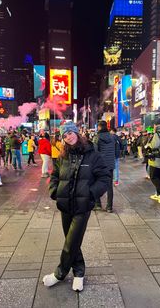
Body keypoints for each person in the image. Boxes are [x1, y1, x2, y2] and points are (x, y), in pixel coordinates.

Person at [43, 122, 109, 292]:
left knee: (71, 241)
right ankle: (79, 272)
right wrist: (54, 192)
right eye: (65, 135)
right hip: (65, 205)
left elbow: (104, 178)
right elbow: (55, 175)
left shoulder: (92, 154)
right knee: (72, 241)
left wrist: (91, 194)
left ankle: (60, 273)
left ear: (77, 133)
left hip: (82, 206)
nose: (68, 137)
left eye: (71, 133)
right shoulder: (62, 156)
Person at [93, 120, 115, 212]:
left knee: (96, 184)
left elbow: (95, 152)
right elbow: (116, 150)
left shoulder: (97, 137)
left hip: (100, 165)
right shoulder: (112, 137)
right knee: (109, 186)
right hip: (110, 165)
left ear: (99, 127)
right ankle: (109, 207)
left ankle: (98, 205)